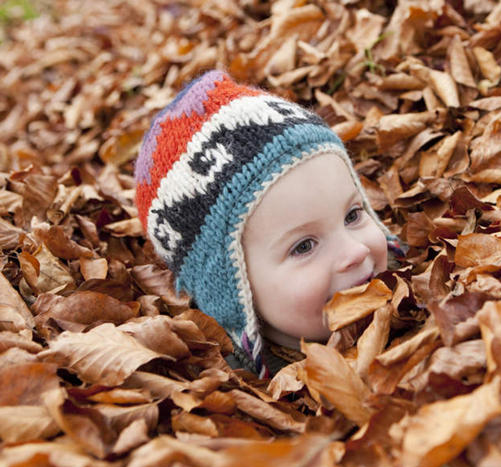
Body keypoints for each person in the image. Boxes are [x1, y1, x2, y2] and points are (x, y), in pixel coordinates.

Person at [134, 70, 400, 377]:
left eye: (352, 215)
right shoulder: (238, 394)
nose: (354, 251)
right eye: (304, 246)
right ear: (229, 290)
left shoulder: (424, 298)